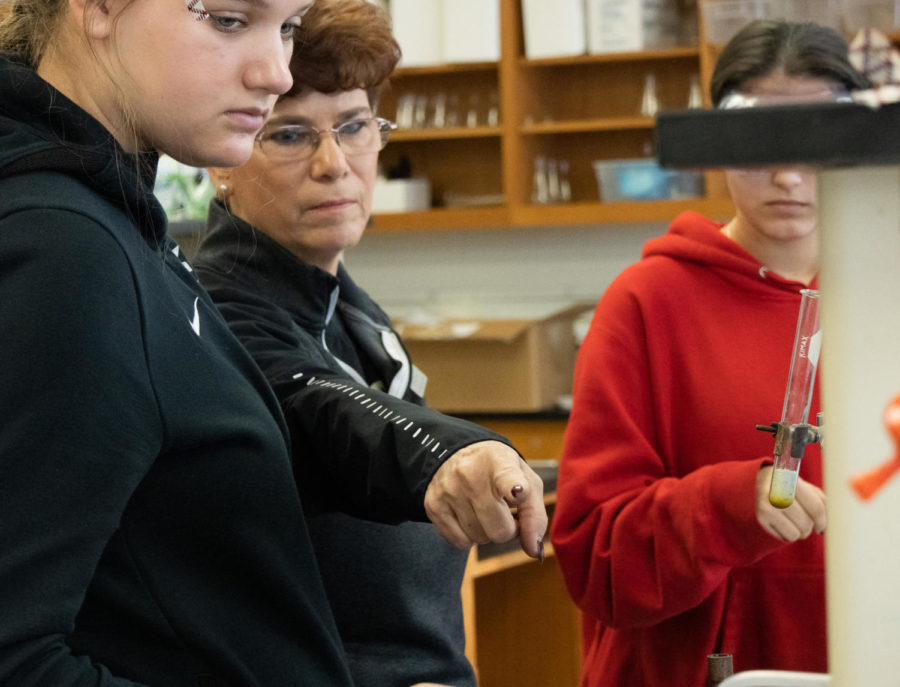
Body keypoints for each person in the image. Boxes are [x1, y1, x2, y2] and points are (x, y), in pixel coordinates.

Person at [0, 1, 545, 685]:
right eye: (229, 19)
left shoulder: (119, 223)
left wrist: (444, 454)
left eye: (286, 27)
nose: (274, 71)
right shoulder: (68, 249)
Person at [189, 1, 546, 685]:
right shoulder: (220, 311)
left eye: (353, 127)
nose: (334, 164)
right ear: (224, 162)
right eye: (290, 135)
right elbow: (329, 409)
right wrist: (453, 450)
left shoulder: (352, 308)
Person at [549, 20, 870, 687]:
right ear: (719, 141)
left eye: (811, 144)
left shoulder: (882, 304)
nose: (786, 175)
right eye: (757, 146)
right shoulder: (646, 302)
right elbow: (592, 559)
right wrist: (727, 507)